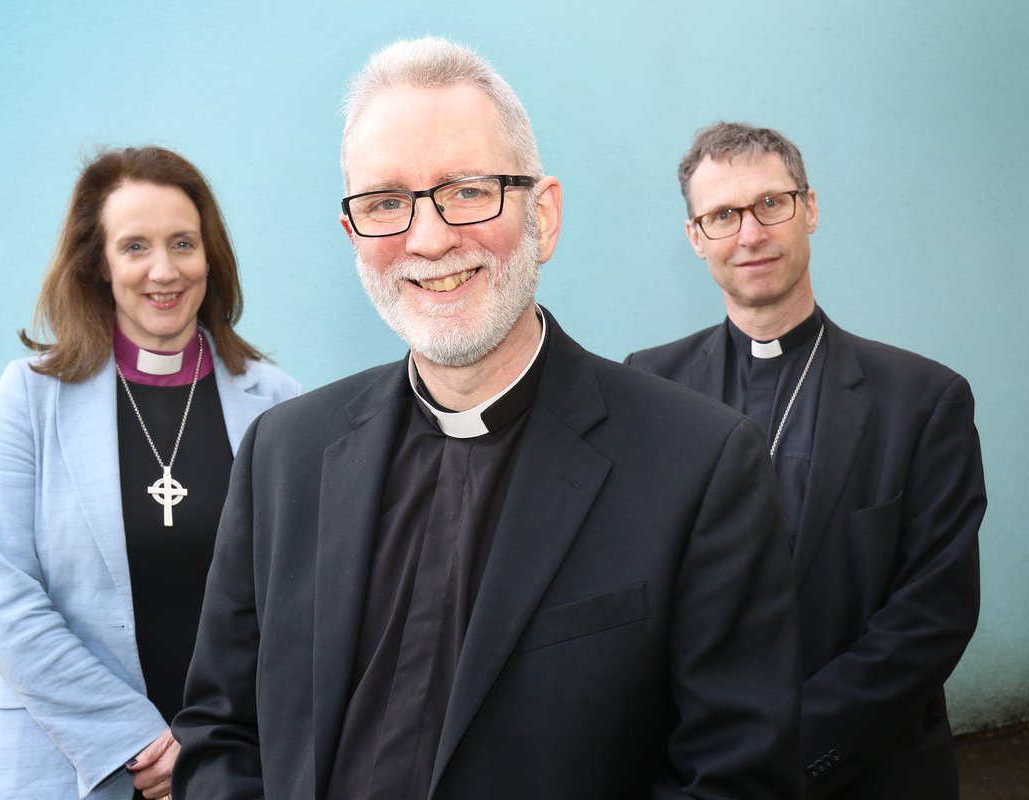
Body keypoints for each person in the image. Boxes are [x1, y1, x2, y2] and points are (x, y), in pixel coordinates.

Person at [172, 39, 802, 799]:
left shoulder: (699, 465)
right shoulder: (284, 453)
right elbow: (219, 733)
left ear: (544, 214)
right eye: (385, 203)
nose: (428, 238)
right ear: (353, 237)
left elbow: (734, 779)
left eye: (468, 190)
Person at [626, 122, 986, 799]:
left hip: (865, 767)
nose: (751, 234)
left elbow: (931, 617)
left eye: (771, 203)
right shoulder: (648, 388)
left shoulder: (923, 400)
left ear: (809, 209)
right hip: (694, 769)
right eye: (722, 215)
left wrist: (788, 753)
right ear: (696, 238)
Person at [0, 146, 300, 800]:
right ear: (97, 263)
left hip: (232, 769)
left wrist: (205, 743)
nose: (164, 270)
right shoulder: (30, 399)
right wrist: (139, 742)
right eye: (134, 247)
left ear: (211, 257)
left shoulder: (283, 405)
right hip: (63, 764)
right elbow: (5, 600)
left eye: (183, 243)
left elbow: (300, 604)